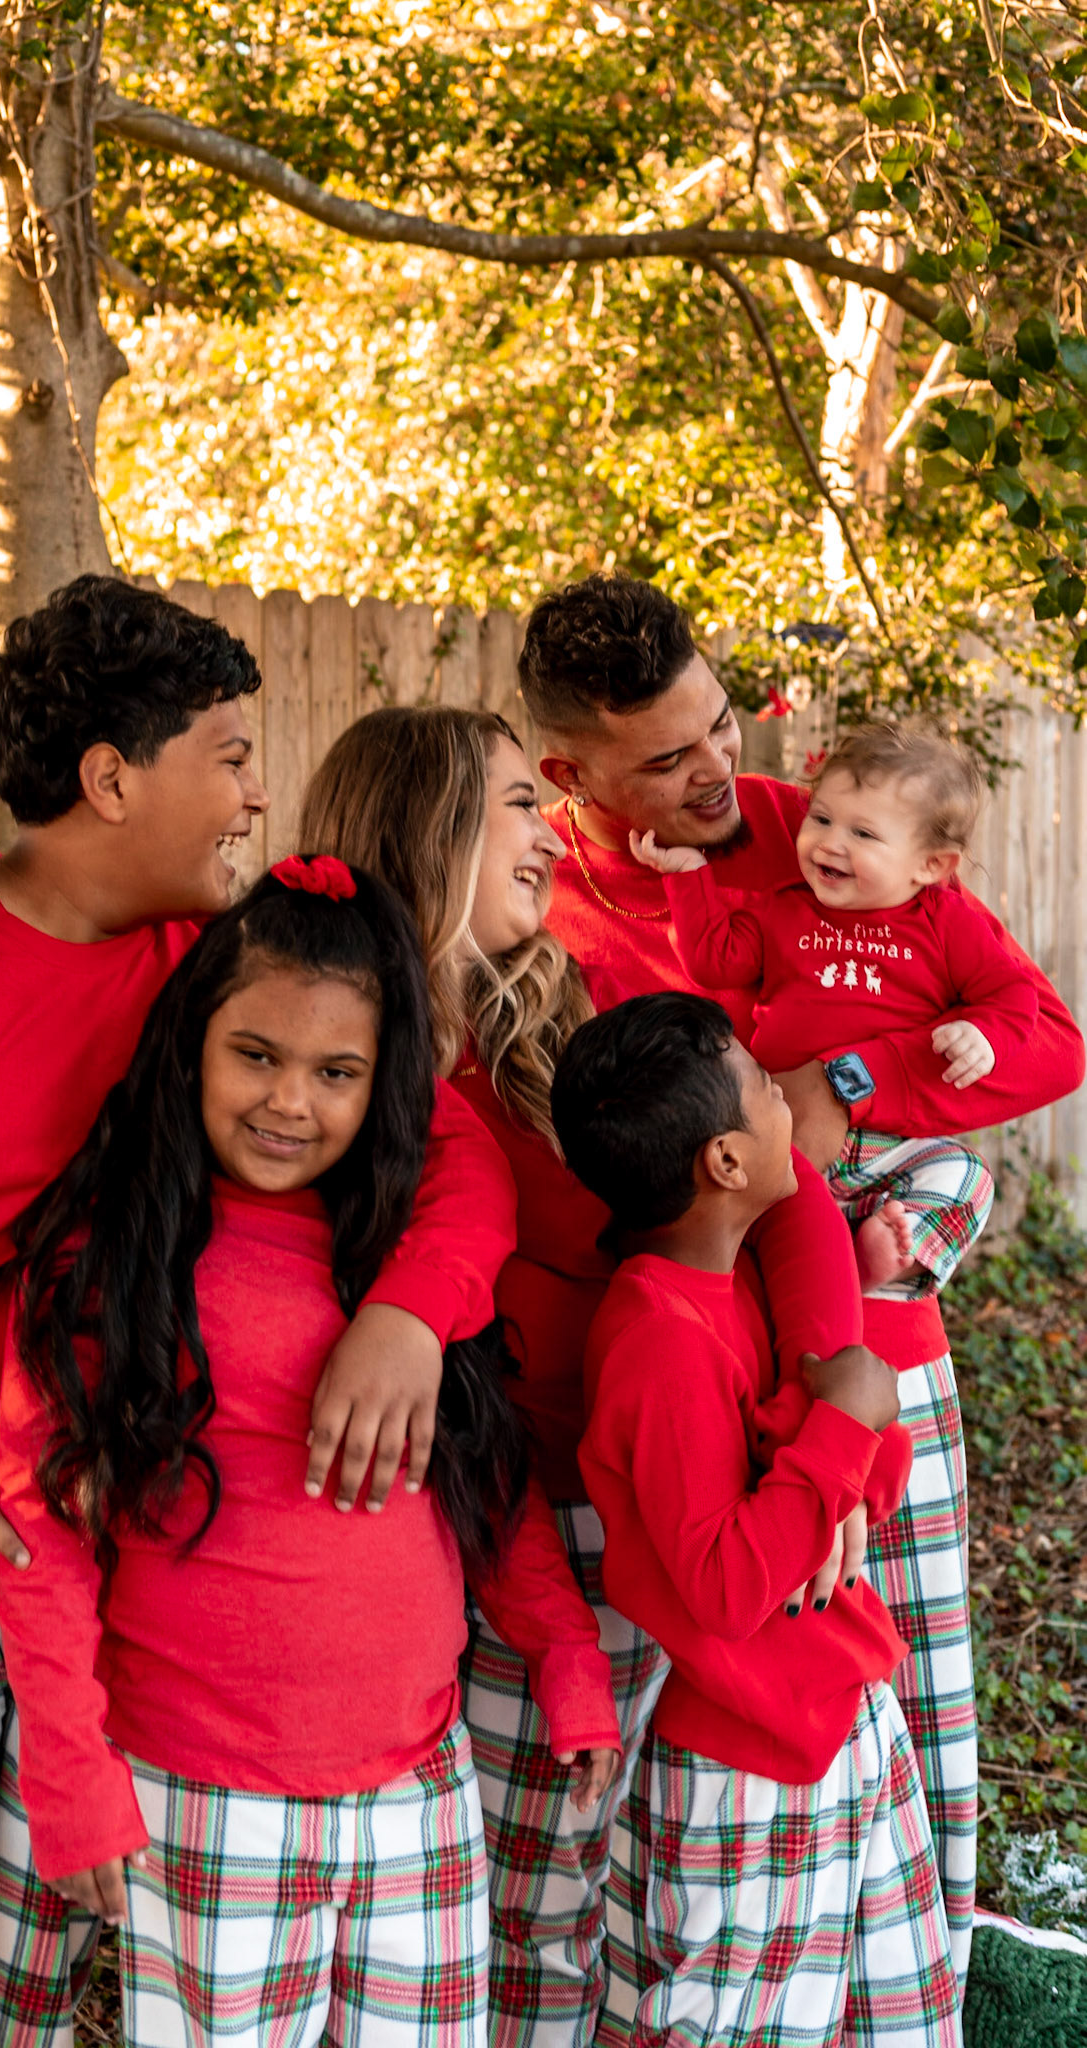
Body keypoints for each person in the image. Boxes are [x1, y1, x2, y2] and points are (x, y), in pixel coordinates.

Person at [0, 578, 515, 2047]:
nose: (257, 794)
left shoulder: (192, 984)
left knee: (34, 2005)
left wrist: (412, 1309)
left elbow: (445, 1144)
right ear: (110, 779)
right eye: (231, 755)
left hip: (109, 1583)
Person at [521, 572, 1087, 1981]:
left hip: (852, 1353)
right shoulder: (538, 899)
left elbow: (1026, 1039)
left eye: (721, 722)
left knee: (900, 1693)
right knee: (665, 1745)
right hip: (667, 1372)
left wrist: (851, 1082)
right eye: (670, 758)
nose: (722, 770)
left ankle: (921, 1965)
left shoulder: (816, 833)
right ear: (571, 777)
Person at [298, 705, 873, 2048]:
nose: (549, 836)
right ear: (425, 830)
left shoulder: (577, 1003)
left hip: (681, 1500)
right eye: (515, 804)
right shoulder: (334, 1065)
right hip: (508, 1534)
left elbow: (776, 1168)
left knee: (657, 1898)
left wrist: (825, 1404)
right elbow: (458, 1388)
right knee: (525, 1909)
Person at [0, 856, 623, 2047]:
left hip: (417, 1790)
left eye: (337, 1071)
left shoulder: (404, 1257)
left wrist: (567, 1655)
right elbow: (45, 1526)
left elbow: (483, 1478)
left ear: (384, 1083)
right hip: (203, 1790)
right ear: (190, 1044)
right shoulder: (114, 1258)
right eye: (256, 1054)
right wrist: (69, 1770)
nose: (290, 1101)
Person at [553, 992, 961, 2048]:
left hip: (838, 1710)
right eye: (770, 1091)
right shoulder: (658, 1339)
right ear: (725, 1161)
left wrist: (850, 1420)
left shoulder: (730, 1288)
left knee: (898, 2012)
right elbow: (727, 1583)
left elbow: (842, 1470)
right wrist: (850, 1418)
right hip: (751, 1760)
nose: (792, 1104)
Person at [631, 719, 1037, 1297]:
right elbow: (714, 961)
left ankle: (885, 1258)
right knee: (752, 1203)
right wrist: (689, 877)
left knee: (967, 1176)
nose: (830, 842)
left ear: (930, 866)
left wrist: (986, 1034)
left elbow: (1013, 992)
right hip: (786, 1131)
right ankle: (816, 1261)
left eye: (863, 834)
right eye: (820, 819)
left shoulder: (947, 925)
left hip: (889, 1142)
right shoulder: (785, 909)